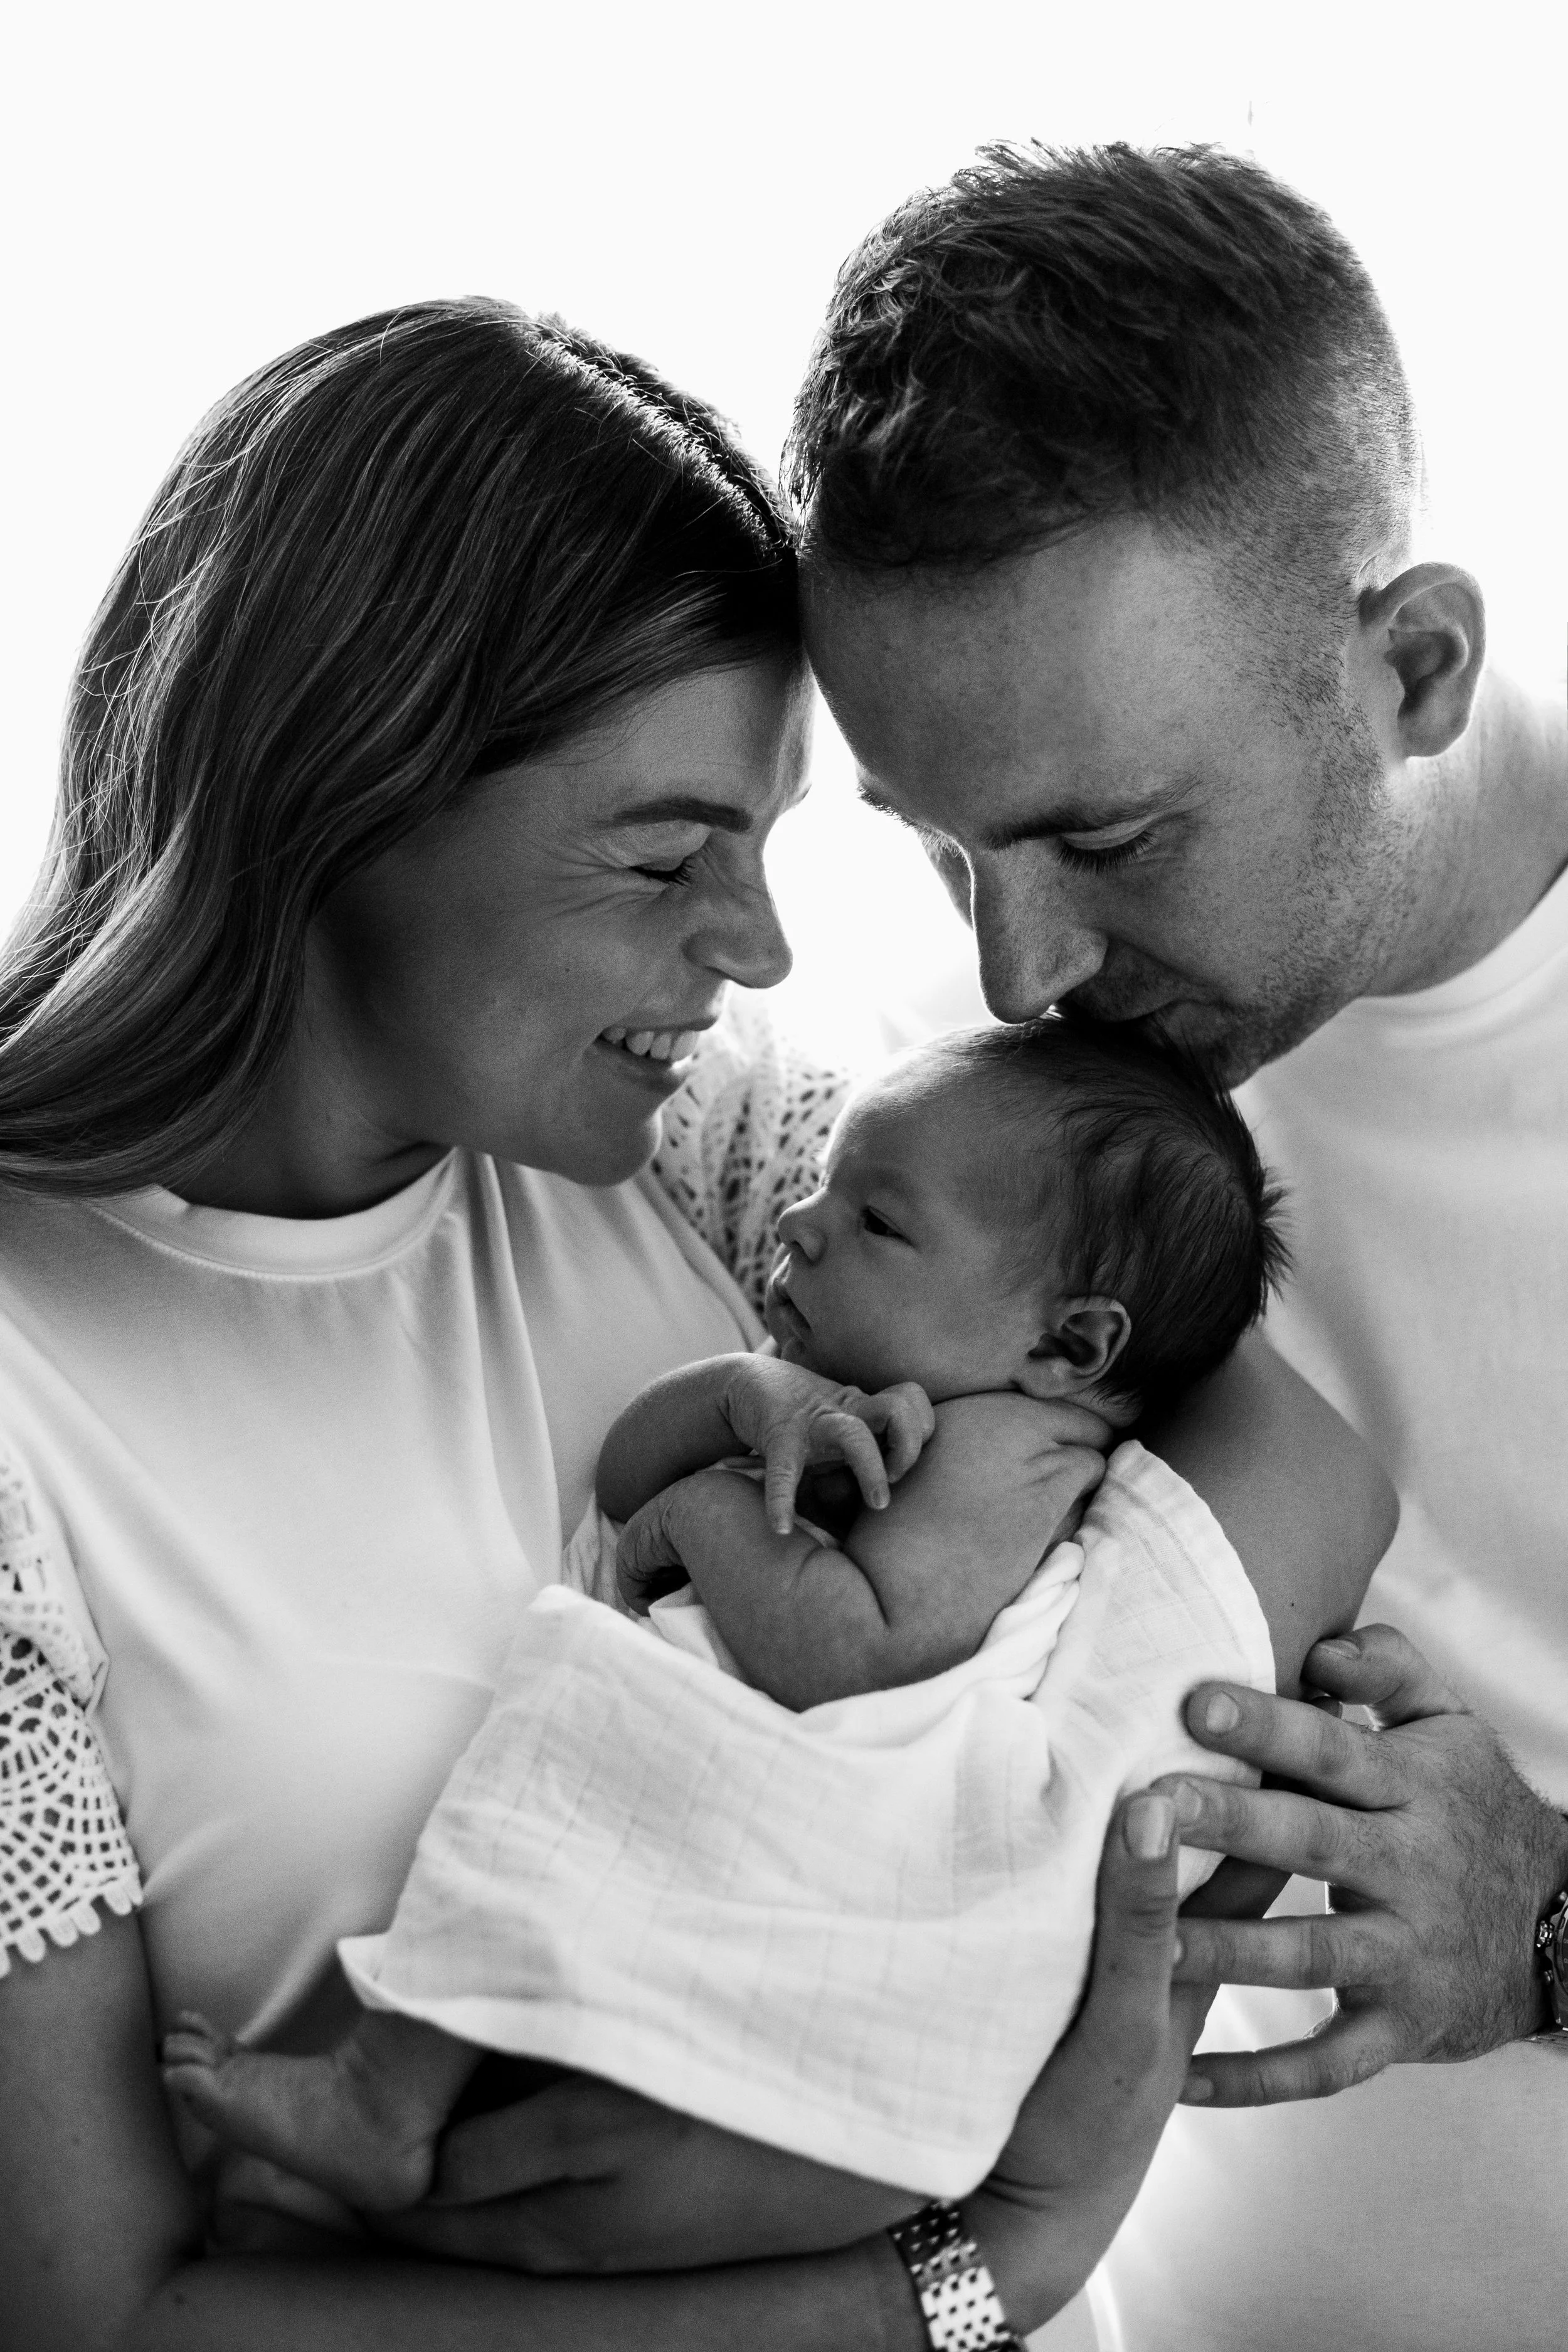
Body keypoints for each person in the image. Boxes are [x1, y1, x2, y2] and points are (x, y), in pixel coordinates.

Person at [0, 296, 1391, 2348]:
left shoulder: (722, 1147)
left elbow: (1285, 1471)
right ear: (343, 796)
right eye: (671, 855)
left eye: (759, 842)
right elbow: (104, 2315)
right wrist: (971, 2262)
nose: (753, 946)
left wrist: (983, 1947)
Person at [787, 139, 1568, 2350]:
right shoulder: (953, 1101)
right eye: (943, 856)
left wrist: (1548, 1922)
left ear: (1412, 668)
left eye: (1110, 840)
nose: (1021, 968)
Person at [158, 1017, 1343, 2224]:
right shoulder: (901, 1376)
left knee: (564, 1761)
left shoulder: (1008, 1448)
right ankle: (381, 2122)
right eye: (824, 1179)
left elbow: (868, 1650)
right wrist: (743, 1394)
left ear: (1069, 1343)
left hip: (843, 1810)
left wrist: (710, 1514)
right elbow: (626, 1480)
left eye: (876, 1222)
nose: (799, 1223)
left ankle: (384, 2100)